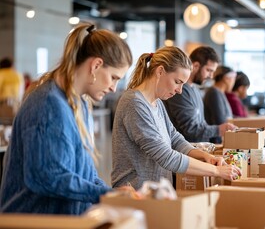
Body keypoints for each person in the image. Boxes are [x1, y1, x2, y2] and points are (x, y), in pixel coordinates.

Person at [0, 23, 133, 215]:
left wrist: (112, 193)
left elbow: (86, 173)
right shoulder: (47, 103)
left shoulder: (80, 105)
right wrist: (104, 194)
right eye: (113, 77)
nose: (114, 87)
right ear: (96, 65)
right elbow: (47, 177)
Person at [111, 47, 241, 189]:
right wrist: (215, 171)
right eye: (177, 82)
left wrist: (204, 156)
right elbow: (166, 156)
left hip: (155, 192)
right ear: (160, 71)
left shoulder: (157, 102)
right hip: (134, 194)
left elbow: (174, 138)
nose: (179, 91)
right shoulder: (134, 103)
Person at [163, 46, 236, 142]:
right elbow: (190, 129)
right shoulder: (181, 91)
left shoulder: (195, 89)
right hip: (185, 152)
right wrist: (219, 130)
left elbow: (201, 124)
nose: (211, 76)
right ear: (196, 66)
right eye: (209, 70)